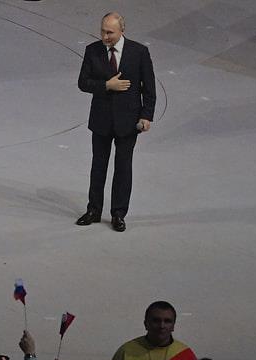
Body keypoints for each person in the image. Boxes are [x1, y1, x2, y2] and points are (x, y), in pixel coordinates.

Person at [75, 12, 156, 233]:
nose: (105, 36)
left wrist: (146, 116)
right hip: (101, 120)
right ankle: (94, 210)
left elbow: (149, 88)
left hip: (128, 122)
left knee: (123, 168)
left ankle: (118, 213)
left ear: (122, 31)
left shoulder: (139, 52)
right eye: (102, 31)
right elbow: (83, 82)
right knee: (98, 166)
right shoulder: (92, 50)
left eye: (109, 32)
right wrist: (106, 86)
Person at [106, 301, 196, 360]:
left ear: (173, 326)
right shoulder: (125, 352)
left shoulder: (186, 355)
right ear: (146, 324)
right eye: (156, 321)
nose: (162, 326)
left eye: (167, 321)